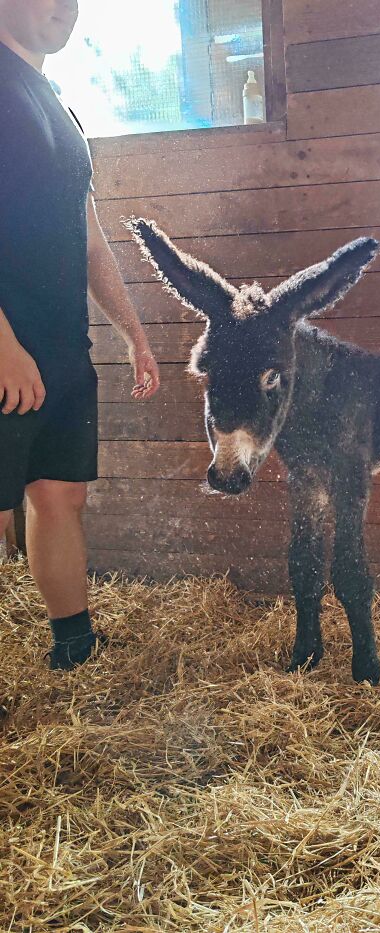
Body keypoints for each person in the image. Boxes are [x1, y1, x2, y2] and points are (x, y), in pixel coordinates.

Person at [0, 0, 161, 669]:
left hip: (61, 342)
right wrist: (3, 345)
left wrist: (133, 331)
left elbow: (87, 235)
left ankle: (74, 645)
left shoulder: (59, 106)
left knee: (60, 493)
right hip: (7, 343)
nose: (63, 8)